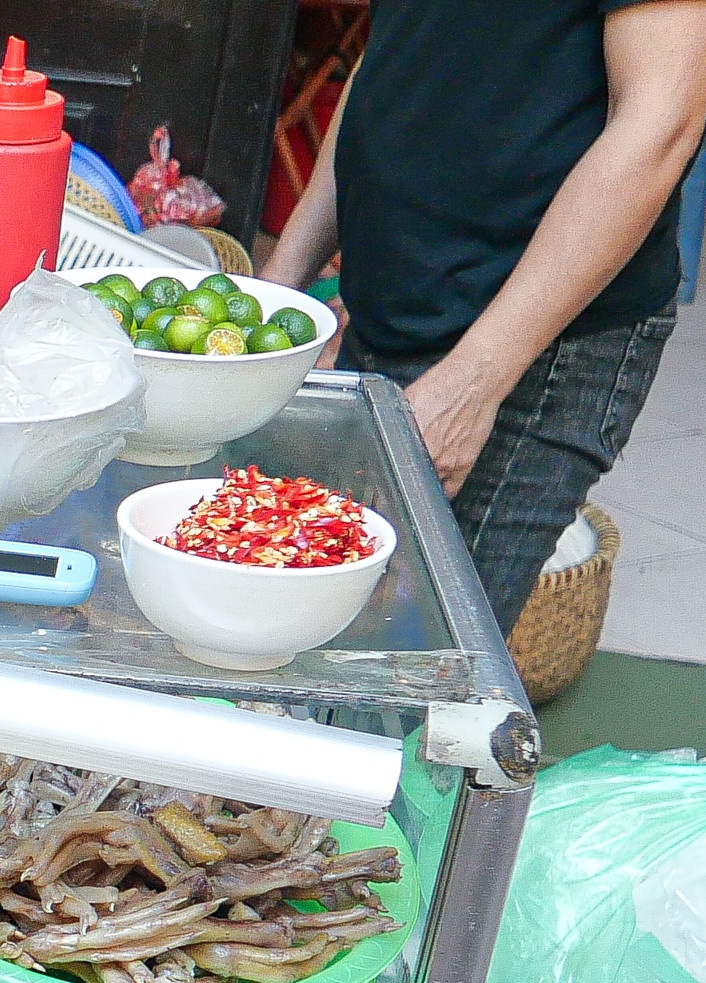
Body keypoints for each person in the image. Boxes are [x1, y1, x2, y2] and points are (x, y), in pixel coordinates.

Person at [261, 0, 706, 632]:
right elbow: (393, 57)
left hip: (528, 340)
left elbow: (661, 124)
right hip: (399, 297)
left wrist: (474, 383)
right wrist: (281, 288)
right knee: (312, 614)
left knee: (418, 659)